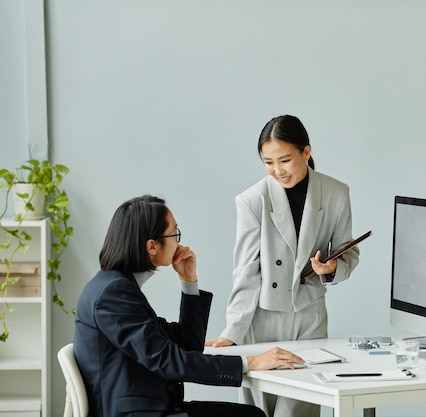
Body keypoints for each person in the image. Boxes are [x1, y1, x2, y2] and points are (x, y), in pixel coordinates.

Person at [74, 195, 304, 417]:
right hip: (140, 413)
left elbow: (188, 344)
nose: (179, 241)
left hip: (154, 406)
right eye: (175, 233)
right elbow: (167, 360)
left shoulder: (117, 287)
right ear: (152, 246)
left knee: (251, 414)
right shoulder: (112, 294)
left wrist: (189, 282)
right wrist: (250, 363)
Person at [206, 114, 360, 417]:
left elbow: (348, 253)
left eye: (285, 160)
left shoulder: (336, 193)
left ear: (306, 152)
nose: (278, 171)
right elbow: (246, 270)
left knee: (300, 408)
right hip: (263, 320)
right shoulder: (253, 200)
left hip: (310, 317)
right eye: (268, 162)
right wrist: (233, 332)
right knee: (261, 410)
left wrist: (331, 269)